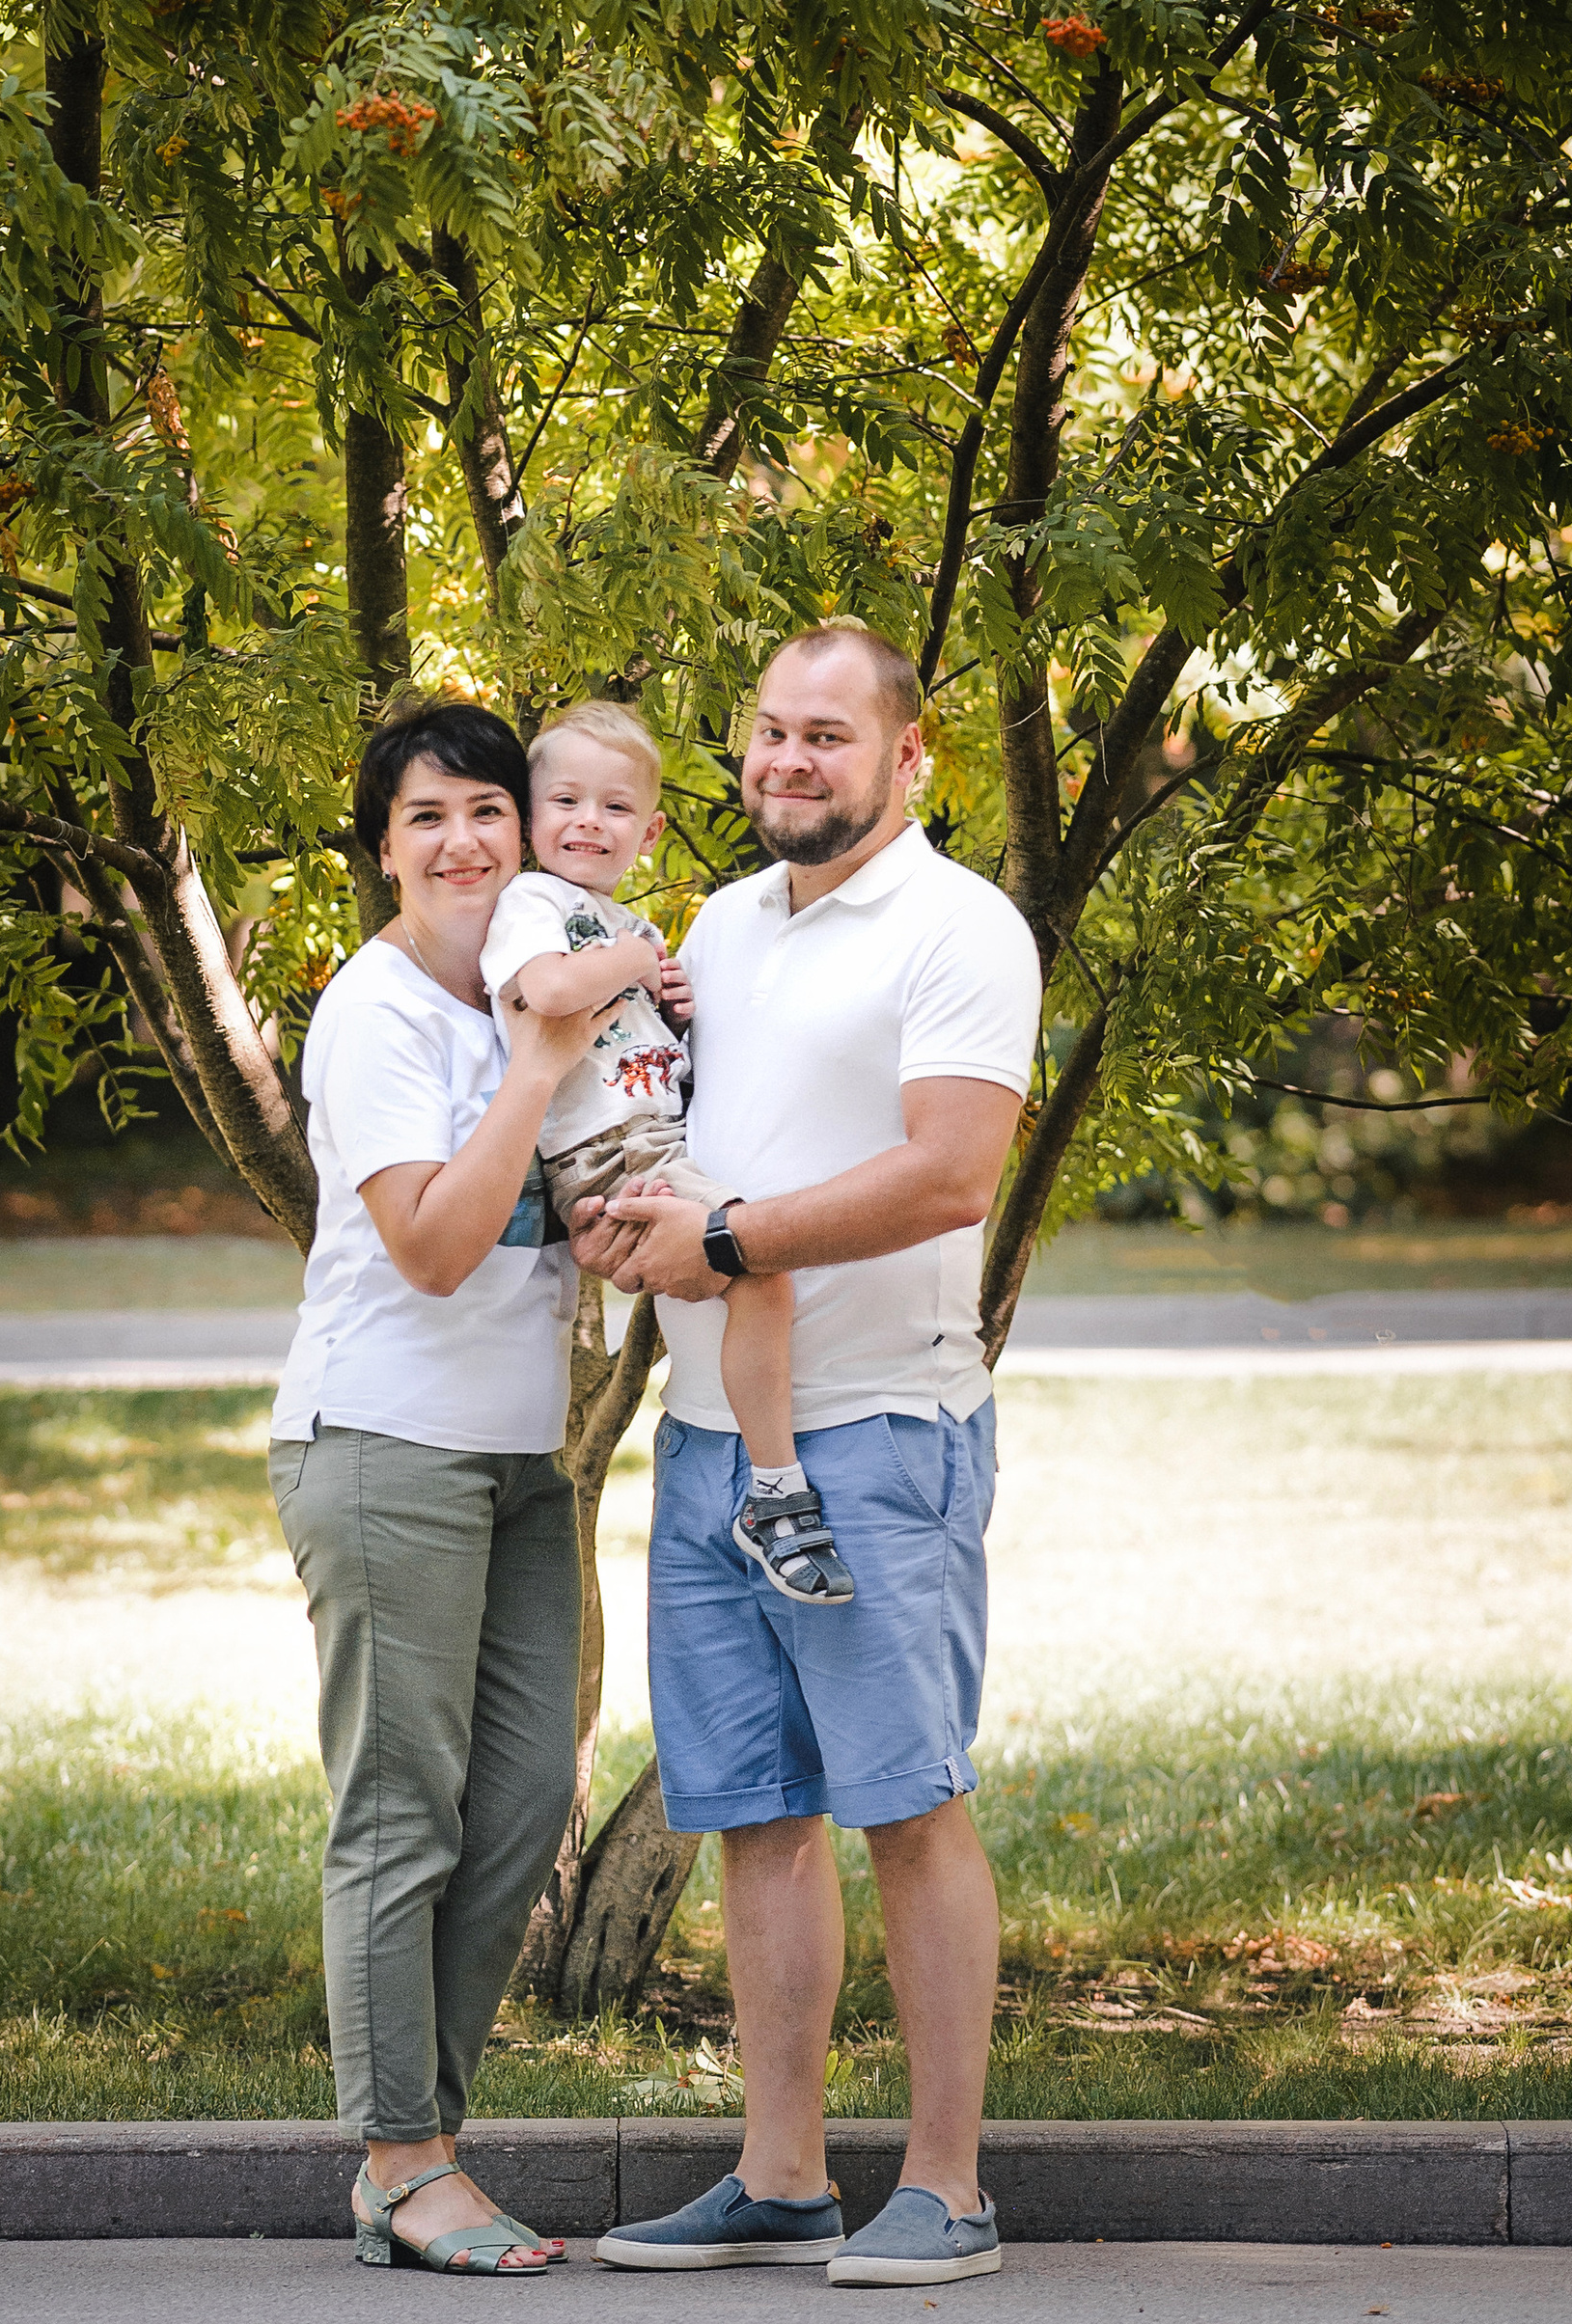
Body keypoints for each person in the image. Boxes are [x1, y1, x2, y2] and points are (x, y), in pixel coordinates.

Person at [576, 621, 1038, 2289]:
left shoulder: (959, 927)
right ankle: (781, 2176)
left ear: (908, 757)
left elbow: (949, 1174)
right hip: (714, 1440)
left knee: (905, 1801)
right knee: (758, 1812)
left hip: (877, 1436)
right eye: (770, 727)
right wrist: (639, 1212)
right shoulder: (718, 920)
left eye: (826, 733)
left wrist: (726, 1228)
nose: (787, 756)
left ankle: (947, 2184)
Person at [268, 690, 614, 2280]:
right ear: (383, 853)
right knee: (401, 1804)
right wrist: (538, 1068)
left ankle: (424, 2143)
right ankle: (405, 2156)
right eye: (428, 817)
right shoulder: (383, 1011)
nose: (466, 837)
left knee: (528, 1789)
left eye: (488, 806)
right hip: (382, 1440)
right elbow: (430, 1240)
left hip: (512, 1451)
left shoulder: (540, 982)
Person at [478, 699, 850, 1608]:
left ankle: (766, 1475)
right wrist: (637, 961)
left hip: (647, 1140)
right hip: (608, 1158)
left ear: (648, 831)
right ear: (531, 820)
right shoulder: (532, 904)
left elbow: (636, 1053)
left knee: (754, 1264)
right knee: (760, 1267)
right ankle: (775, 1490)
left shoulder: (616, 922)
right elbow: (553, 988)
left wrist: (670, 1005)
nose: (587, 822)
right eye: (564, 800)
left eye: (614, 808)